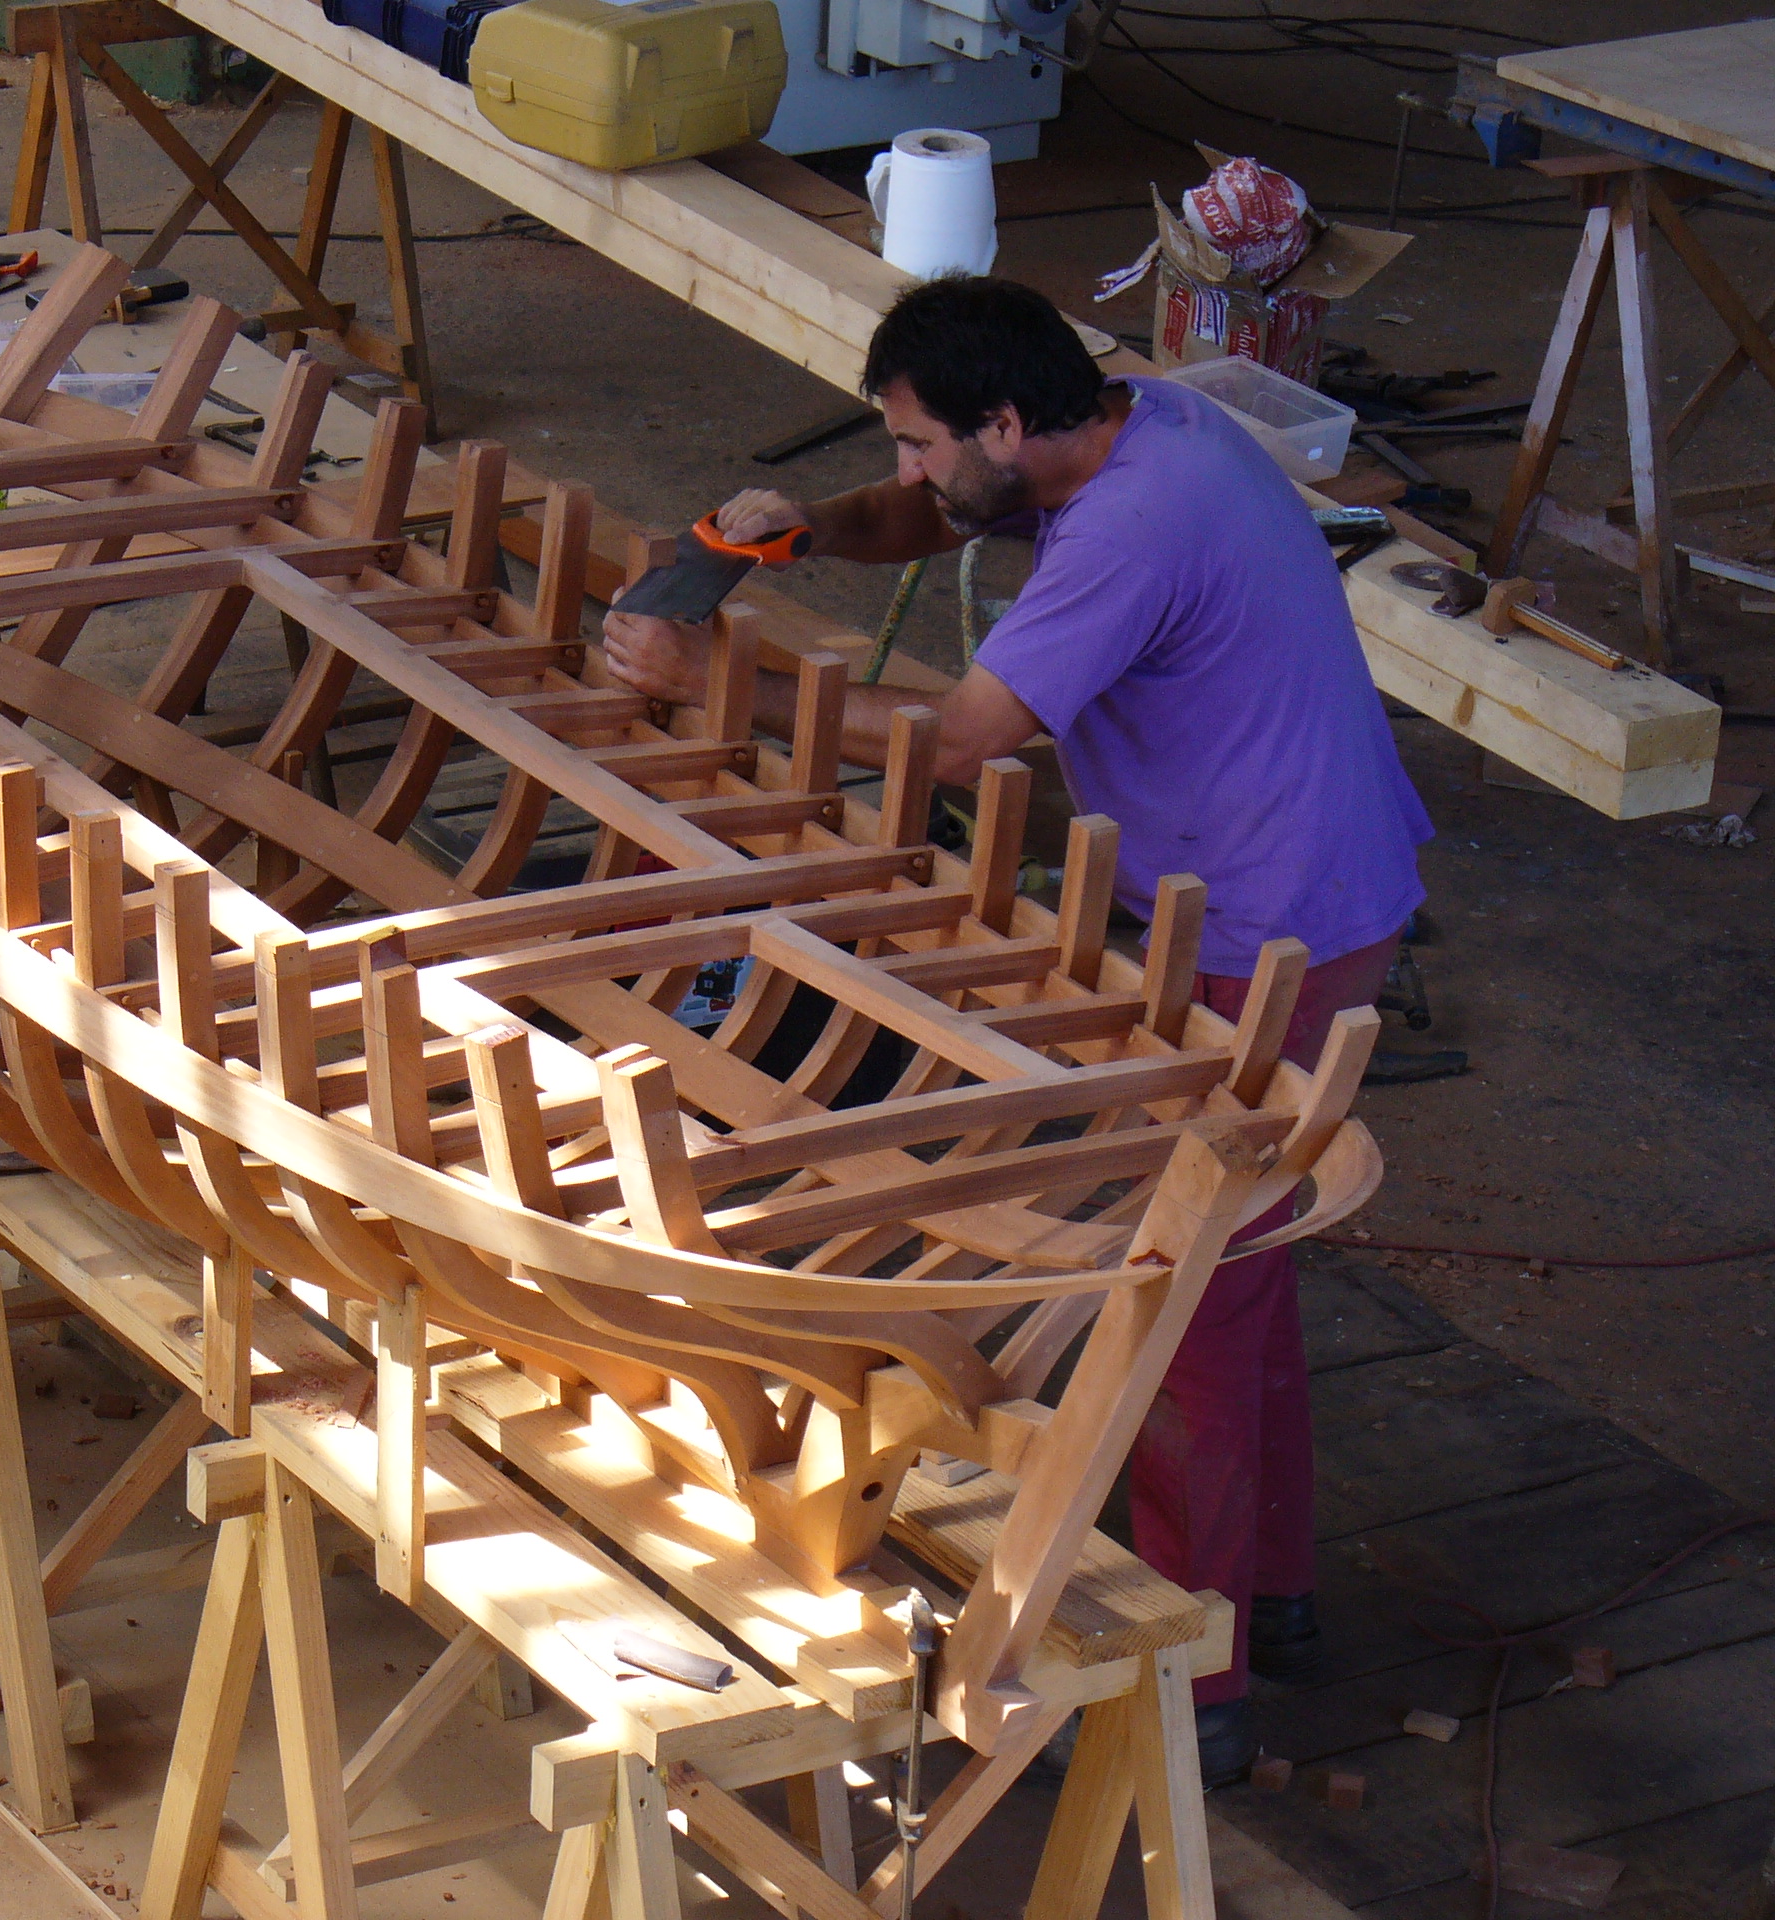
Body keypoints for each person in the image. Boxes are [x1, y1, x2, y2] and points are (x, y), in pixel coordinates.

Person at [602, 276, 1431, 1779]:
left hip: (1269, 920)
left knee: (1188, 1286)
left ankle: (1208, 1683)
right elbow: (940, 516)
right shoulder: (1140, 425)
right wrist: (811, 531)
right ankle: (1281, 1598)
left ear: (1002, 418)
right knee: (1253, 1260)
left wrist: (718, 675)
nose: (909, 470)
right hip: (1310, 876)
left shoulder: (1128, 528)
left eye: (919, 441)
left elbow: (972, 742)